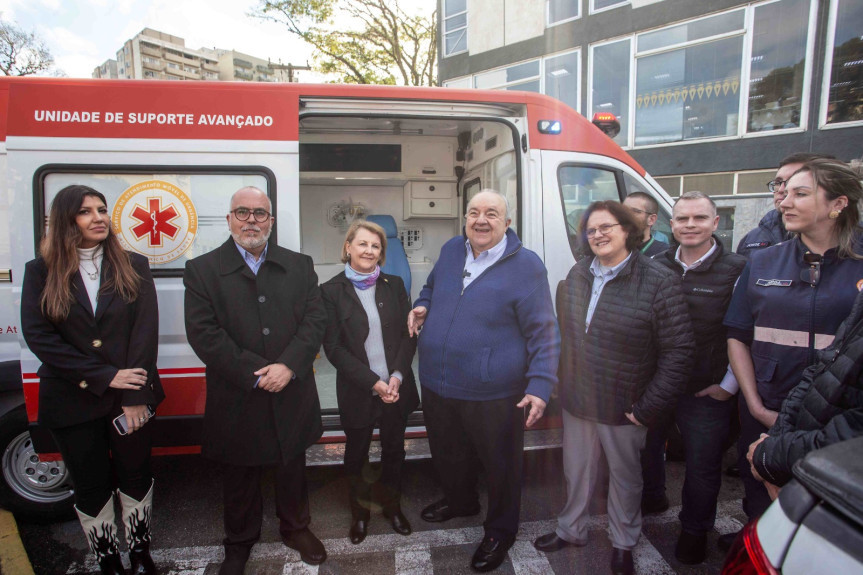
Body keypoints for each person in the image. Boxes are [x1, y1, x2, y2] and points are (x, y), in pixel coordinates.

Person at [534, 200, 694, 575]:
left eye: (607, 227)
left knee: (625, 479)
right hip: (579, 400)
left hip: (626, 405)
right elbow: (567, 338)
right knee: (576, 471)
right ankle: (571, 530)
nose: (598, 235)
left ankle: (623, 542)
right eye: (591, 230)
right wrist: (561, 386)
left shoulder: (658, 280)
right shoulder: (578, 275)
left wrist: (647, 407)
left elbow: (679, 352)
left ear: (628, 231)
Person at [408, 190, 559, 573]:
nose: (481, 220)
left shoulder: (526, 266)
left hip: (494, 390)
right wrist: (423, 304)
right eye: (474, 212)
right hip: (438, 382)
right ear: (464, 219)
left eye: (492, 214)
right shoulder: (451, 249)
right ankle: (461, 502)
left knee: (501, 466)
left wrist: (540, 386)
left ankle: (501, 530)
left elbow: (544, 331)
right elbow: (431, 286)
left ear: (507, 223)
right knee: (448, 453)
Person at [183, 186, 328, 574]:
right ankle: (239, 542)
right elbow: (204, 334)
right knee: (239, 471)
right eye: (242, 212)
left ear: (271, 221)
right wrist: (257, 374)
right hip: (238, 393)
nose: (251, 220)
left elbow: (315, 322)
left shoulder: (300, 265)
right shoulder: (202, 270)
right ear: (229, 219)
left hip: (291, 387)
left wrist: (288, 366)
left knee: (291, 465)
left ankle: (296, 529)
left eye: (260, 213)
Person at [20, 185, 163, 575]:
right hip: (71, 399)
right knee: (90, 482)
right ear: (67, 221)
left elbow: (145, 334)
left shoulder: (134, 264)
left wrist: (134, 395)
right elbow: (39, 337)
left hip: (129, 400)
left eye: (102, 209)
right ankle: (107, 559)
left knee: (136, 476)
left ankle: (139, 553)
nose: (98, 217)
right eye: (86, 212)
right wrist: (105, 375)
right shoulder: (40, 272)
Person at [724, 158, 863, 538]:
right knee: (761, 509)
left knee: (825, 521)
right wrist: (753, 405)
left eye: (800, 194)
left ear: (839, 204)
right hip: (764, 406)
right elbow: (737, 334)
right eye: (784, 192)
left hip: (836, 422)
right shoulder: (762, 260)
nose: (784, 201)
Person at [641, 192, 746, 564]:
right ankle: (652, 497)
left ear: (715, 223)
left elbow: (742, 332)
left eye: (699, 218)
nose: (689, 225)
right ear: (671, 223)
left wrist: (728, 386)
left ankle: (694, 530)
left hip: (705, 389)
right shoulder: (653, 262)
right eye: (682, 218)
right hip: (657, 384)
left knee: (702, 465)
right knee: (646, 449)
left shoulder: (737, 269)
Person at [320, 220, 419, 544]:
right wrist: (374, 382)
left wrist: (397, 376)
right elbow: (333, 348)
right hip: (359, 390)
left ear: (381, 253)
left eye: (375, 246)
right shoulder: (330, 291)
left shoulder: (394, 286)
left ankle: (392, 508)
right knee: (357, 455)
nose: (369, 251)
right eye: (362, 244)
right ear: (348, 247)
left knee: (394, 451)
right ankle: (360, 515)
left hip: (396, 388)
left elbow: (409, 337)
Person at [748, 286, 863, 492]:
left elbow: (854, 435)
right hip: (806, 463)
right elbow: (822, 367)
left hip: (835, 482)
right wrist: (777, 440)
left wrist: (771, 454)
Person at [736, 153, 833, 259]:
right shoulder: (752, 239)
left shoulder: (847, 247)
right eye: (778, 182)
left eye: (793, 181)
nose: (782, 190)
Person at [623, 192, 669, 257]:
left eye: (635, 211)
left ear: (651, 219)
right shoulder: (612, 249)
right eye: (623, 210)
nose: (626, 216)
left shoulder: (664, 255)